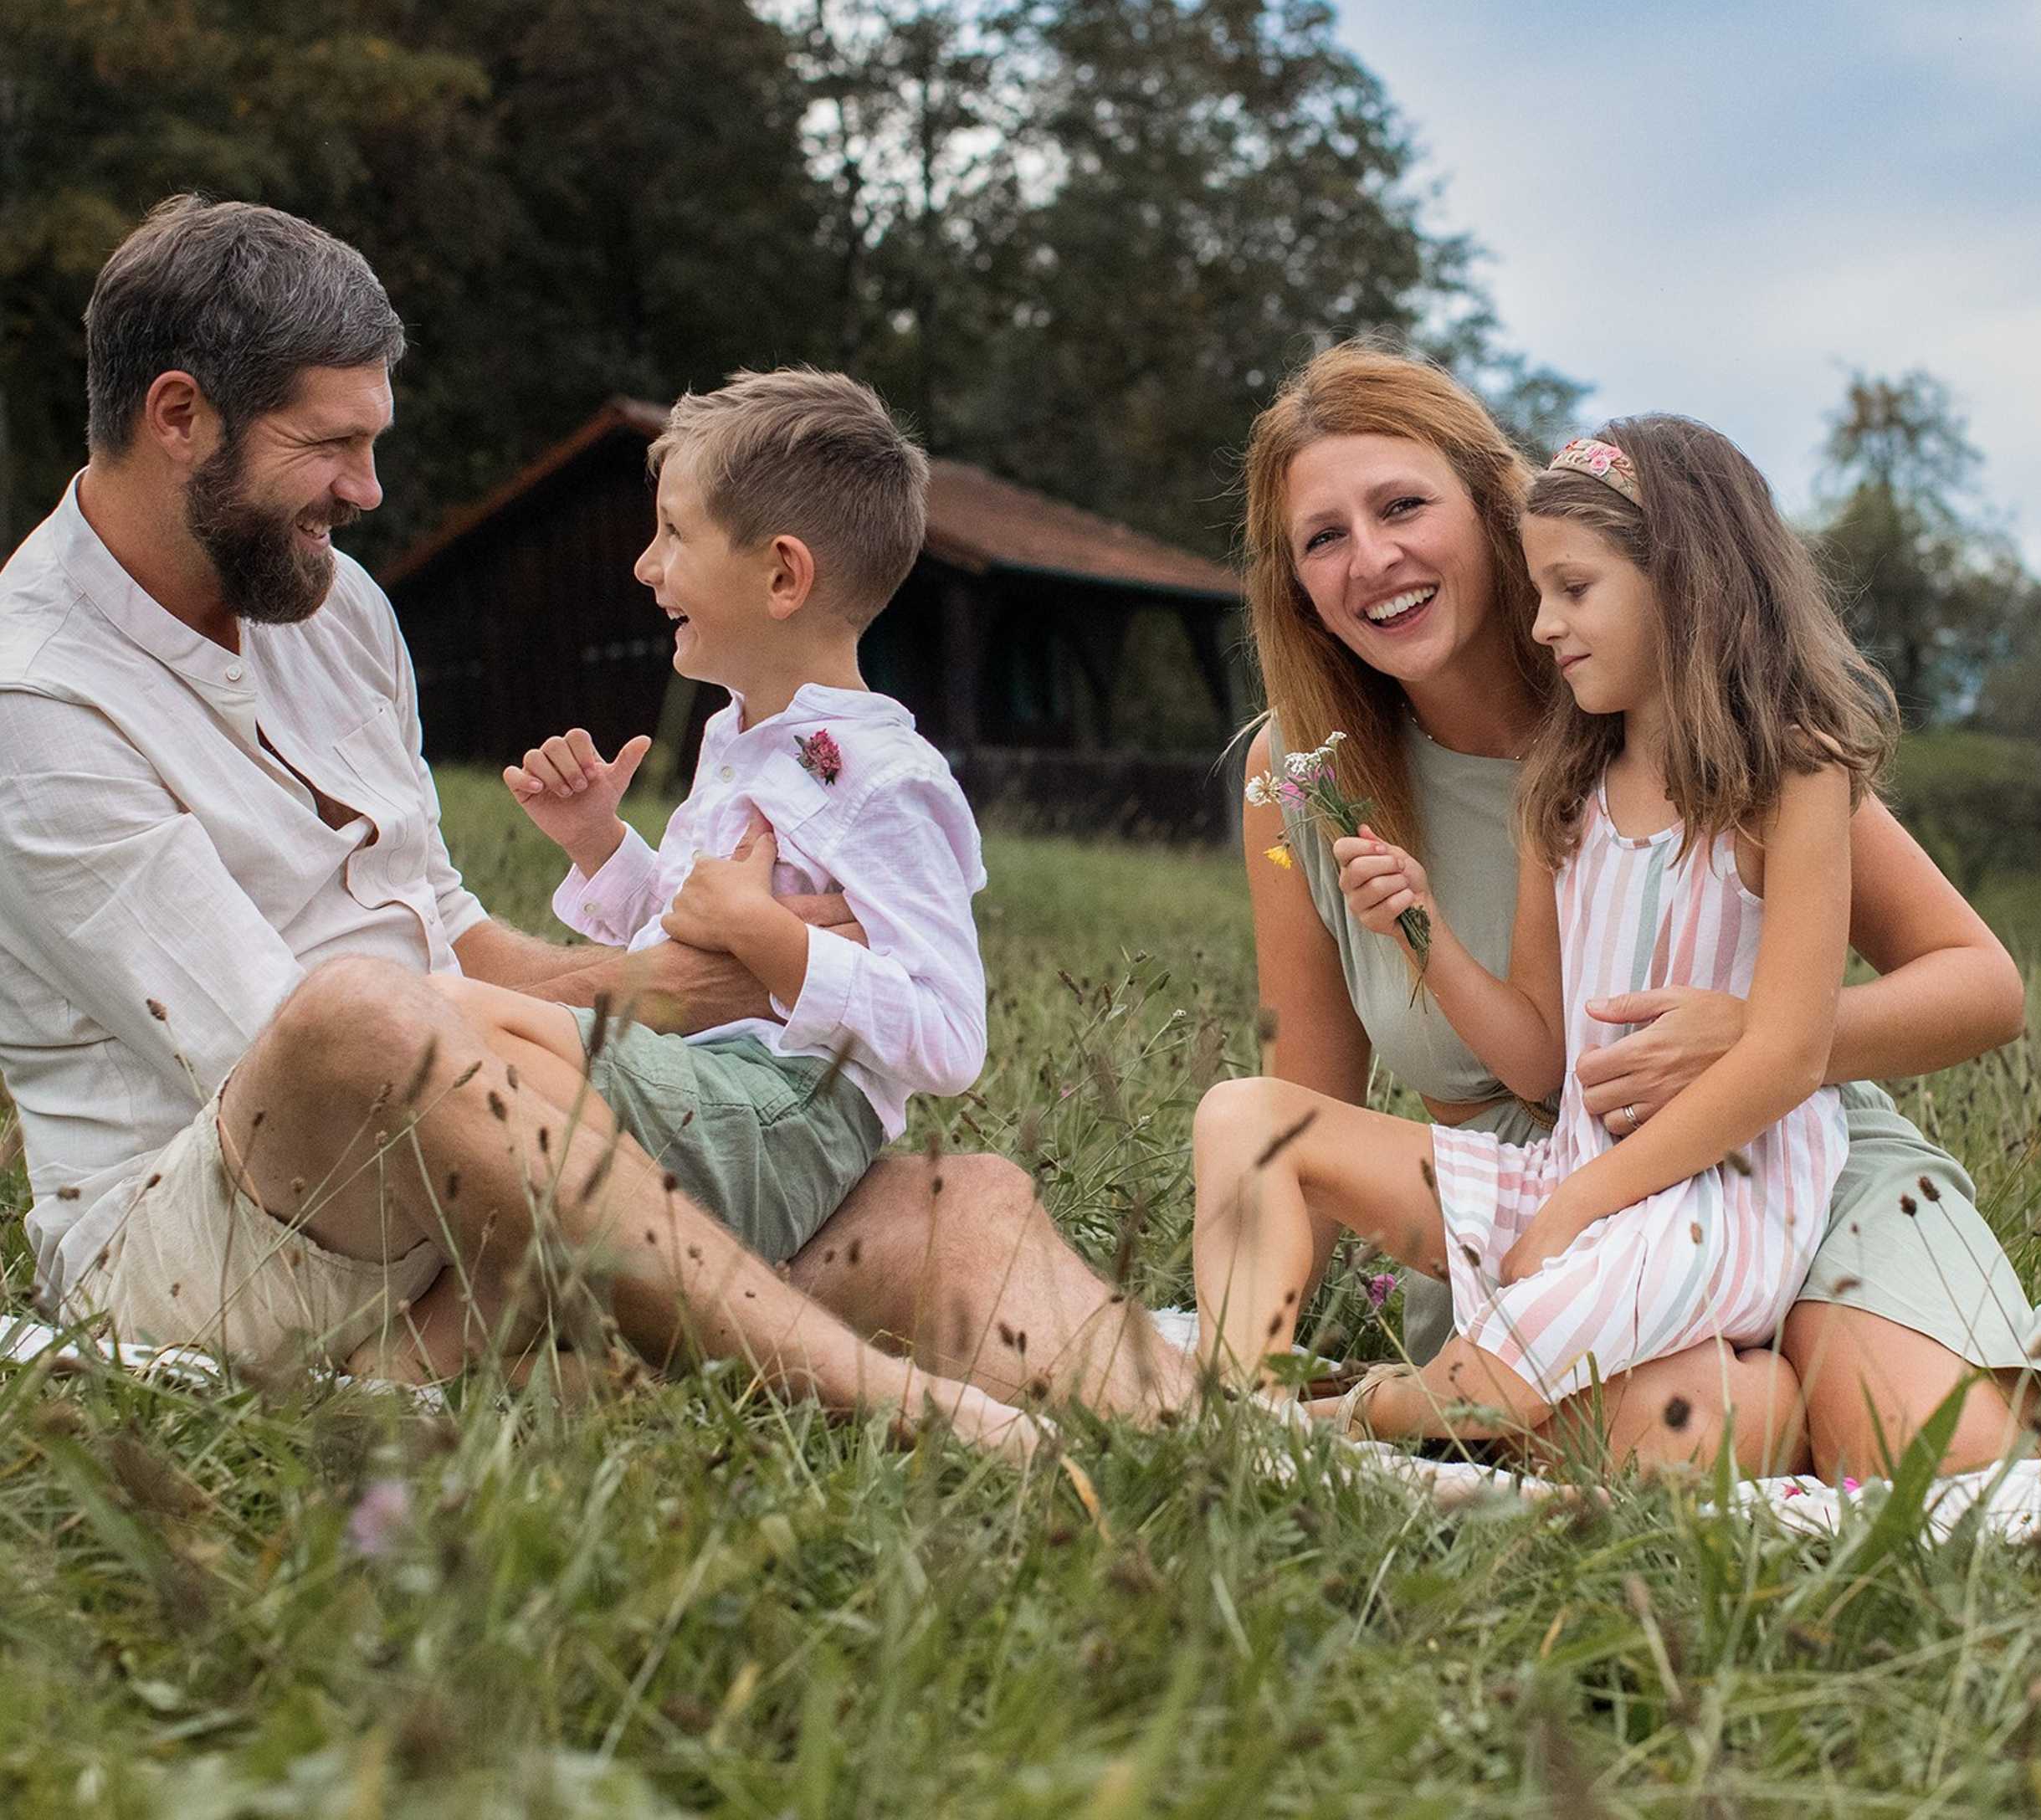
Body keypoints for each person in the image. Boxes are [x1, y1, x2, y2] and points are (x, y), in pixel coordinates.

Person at [0, 194, 1191, 1443]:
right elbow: (286, 1048)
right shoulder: (38, 699)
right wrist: (661, 998)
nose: (367, 488)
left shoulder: (336, 611)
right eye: (332, 444)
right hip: (228, 1226)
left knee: (966, 1208)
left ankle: (1292, 1452)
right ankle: (918, 1413)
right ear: (180, 415)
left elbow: (440, 928)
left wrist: (668, 985)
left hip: (488, 1162)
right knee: (352, 1014)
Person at [1195, 339, 2041, 1475]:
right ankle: (1236, 1437)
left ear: (1495, 506)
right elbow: (1313, 1110)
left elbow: (1980, 986)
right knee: (1673, 1435)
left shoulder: (1658, 705)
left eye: (1403, 505)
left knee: (1933, 1453)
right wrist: (1269, 1321)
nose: (1373, 558)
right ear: (1292, 582)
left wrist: (1755, 1035)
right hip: (1545, 1212)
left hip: (1785, 1153)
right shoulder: (1308, 778)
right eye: (1323, 538)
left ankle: (2022, 1364)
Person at [1201, 418, 1892, 1459]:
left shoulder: (1788, 769)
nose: (1545, 626)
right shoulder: (1564, 778)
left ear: (1683, 580)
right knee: (1243, 1115)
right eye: (1323, 537)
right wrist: (1417, 928)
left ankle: (1321, 1426)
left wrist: (1579, 1204)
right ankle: (1231, 1402)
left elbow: (1792, 1051)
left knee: (1609, 1411)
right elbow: (1539, 1061)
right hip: (1563, 1172)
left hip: (1705, 1188)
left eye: (1399, 506)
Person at [454, 368, 987, 1295]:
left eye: (672, 532)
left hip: (784, 1115)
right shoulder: (738, 735)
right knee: (446, 1038)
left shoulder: (887, 779)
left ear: (782, 574)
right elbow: (682, 932)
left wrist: (766, 936)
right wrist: (598, 843)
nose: (644, 564)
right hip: (695, 1075)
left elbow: (949, 1036)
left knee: (451, 1027)